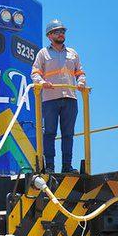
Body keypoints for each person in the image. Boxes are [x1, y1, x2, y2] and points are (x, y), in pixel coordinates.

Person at [30, 19, 86, 173]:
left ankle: (67, 166)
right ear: (49, 36)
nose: (61, 34)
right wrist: (41, 82)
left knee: (68, 134)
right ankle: (49, 167)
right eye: (57, 31)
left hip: (70, 99)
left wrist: (81, 82)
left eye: (62, 31)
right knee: (49, 133)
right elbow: (35, 72)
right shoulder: (43, 53)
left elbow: (80, 72)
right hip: (50, 100)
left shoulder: (73, 53)